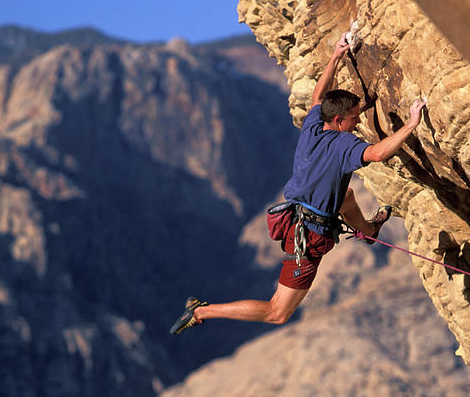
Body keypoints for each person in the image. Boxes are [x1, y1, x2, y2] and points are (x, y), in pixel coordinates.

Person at [170, 33, 426, 334]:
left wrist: (335, 56)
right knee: (277, 312)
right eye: (355, 117)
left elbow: (318, 97)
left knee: (346, 196)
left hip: (296, 217)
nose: (359, 121)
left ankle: (368, 231)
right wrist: (411, 124)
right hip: (308, 238)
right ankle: (202, 311)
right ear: (340, 120)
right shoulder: (345, 145)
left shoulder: (313, 127)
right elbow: (380, 152)